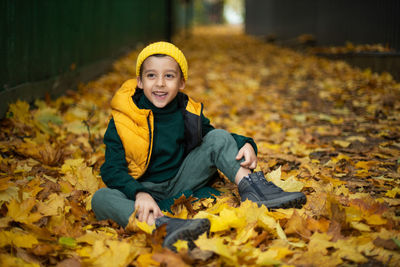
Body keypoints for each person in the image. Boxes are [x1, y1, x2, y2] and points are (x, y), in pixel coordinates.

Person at [91, 41, 306, 250]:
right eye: (151, 76)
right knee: (101, 198)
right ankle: (162, 225)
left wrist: (246, 144)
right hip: (141, 189)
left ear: (181, 82)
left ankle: (254, 190)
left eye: (169, 76)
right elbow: (112, 169)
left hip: (181, 180)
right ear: (139, 81)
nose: (160, 83)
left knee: (219, 137)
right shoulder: (123, 120)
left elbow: (212, 136)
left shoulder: (187, 111)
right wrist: (139, 193)